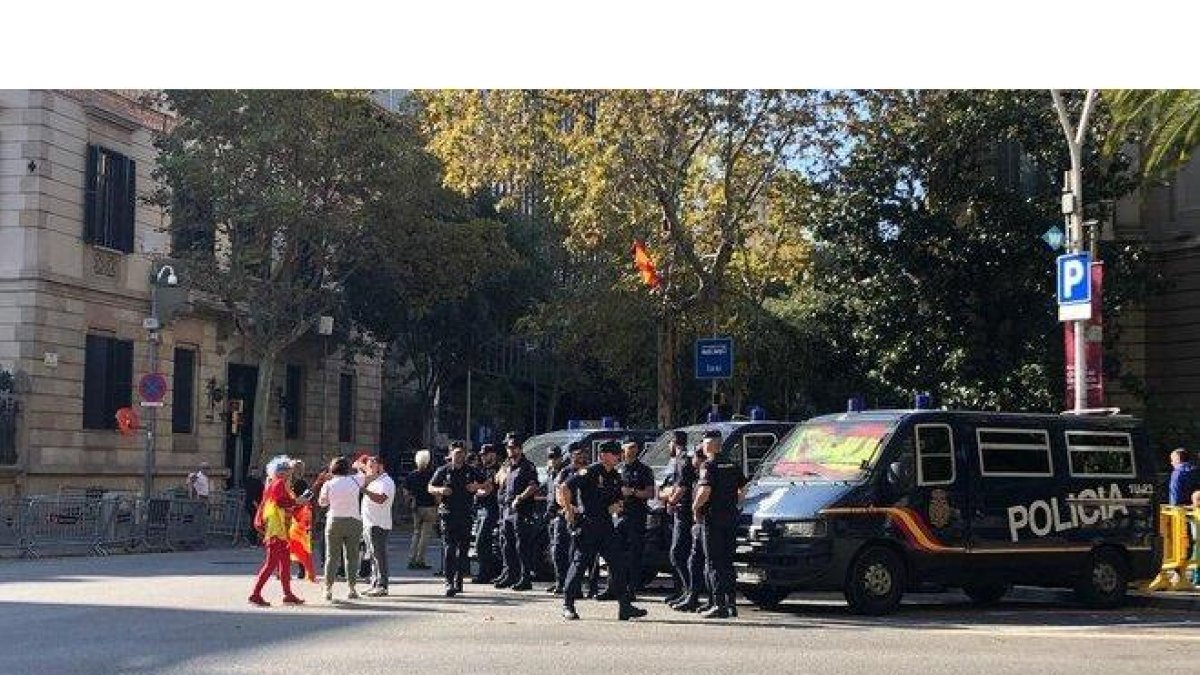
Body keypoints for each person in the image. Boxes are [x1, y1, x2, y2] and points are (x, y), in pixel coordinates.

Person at [557, 440, 647, 621]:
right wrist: (568, 510)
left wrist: (617, 505)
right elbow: (565, 487)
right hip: (588, 525)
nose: (619, 457)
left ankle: (624, 606)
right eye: (615, 454)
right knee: (579, 565)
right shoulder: (590, 471)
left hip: (606, 526)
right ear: (604, 455)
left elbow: (619, 498)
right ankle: (568, 604)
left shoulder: (615, 475)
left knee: (618, 564)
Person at [692, 428, 748, 619]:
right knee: (727, 561)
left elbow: (704, 491)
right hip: (730, 517)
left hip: (713, 518)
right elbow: (743, 488)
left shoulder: (709, 465)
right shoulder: (732, 464)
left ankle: (718, 604)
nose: (702, 446)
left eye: (704, 442)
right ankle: (731, 604)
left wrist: (695, 507)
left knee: (713, 562)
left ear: (709, 444)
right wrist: (733, 502)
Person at [428, 441, 487, 596]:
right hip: (448, 515)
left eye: (462, 453)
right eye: (456, 453)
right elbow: (430, 487)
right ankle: (448, 582)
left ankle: (458, 581)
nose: (459, 456)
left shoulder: (471, 470)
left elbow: (488, 484)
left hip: (465, 515)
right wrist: (440, 489)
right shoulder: (444, 471)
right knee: (449, 549)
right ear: (451, 454)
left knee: (463, 551)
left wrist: (477, 487)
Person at [248, 455, 309, 606]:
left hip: (279, 528)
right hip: (277, 529)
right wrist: (296, 501)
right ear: (281, 472)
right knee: (271, 564)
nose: (290, 472)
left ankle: (288, 594)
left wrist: (295, 502)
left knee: (284, 564)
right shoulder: (279, 483)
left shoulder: (275, 483)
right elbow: (281, 502)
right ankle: (255, 594)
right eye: (288, 470)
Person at [495, 436, 541, 591]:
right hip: (507, 510)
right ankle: (510, 574)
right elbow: (499, 483)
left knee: (522, 546)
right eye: (509, 447)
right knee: (507, 544)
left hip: (521, 510)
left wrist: (520, 498)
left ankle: (525, 577)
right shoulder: (508, 466)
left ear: (520, 449)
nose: (511, 450)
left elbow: (533, 486)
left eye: (514, 447)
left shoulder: (527, 466)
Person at [318, 456, 366, 601]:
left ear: (332, 468)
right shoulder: (355, 480)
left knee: (331, 557)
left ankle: (328, 589)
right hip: (353, 520)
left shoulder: (329, 484)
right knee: (351, 557)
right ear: (347, 468)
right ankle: (351, 588)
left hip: (334, 520)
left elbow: (322, 503)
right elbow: (365, 474)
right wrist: (358, 466)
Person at [671, 446, 710, 612]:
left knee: (701, 561)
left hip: (701, 521)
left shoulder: (708, 472)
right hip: (697, 522)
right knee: (693, 561)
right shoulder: (697, 473)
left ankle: (699, 597)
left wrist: (694, 509)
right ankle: (691, 595)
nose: (691, 461)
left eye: (695, 457)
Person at [616, 438, 654, 596]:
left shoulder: (644, 470)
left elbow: (650, 493)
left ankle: (634, 586)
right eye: (629, 447)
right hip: (619, 515)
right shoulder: (618, 469)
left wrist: (632, 492)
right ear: (623, 450)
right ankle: (617, 586)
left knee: (635, 552)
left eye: (634, 447)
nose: (632, 450)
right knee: (616, 552)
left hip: (636, 515)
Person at [545, 444, 584, 595]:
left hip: (577, 516)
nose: (552, 460)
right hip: (560, 516)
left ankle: (575, 586)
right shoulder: (562, 473)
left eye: (555, 457)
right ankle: (561, 582)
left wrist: (573, 509)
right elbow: (557, 494)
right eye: (576, 454)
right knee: (558, 551)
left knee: (574, 553)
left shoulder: (585, 472)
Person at [660, 430, 693, 605]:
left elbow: (682, 488)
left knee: (678, 553)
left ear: (674, 442)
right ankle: (682, 591)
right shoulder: (676, 461)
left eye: (669, 443)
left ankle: (689, 592)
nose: (668, 447)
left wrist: (671, 500)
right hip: (678, 513)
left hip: (684, 512)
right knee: (678, 553)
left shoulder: (683, 460)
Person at [360, 455, 396, 597]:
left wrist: (365, 491)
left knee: (379, 555)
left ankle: (382, 585)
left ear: (379, 466)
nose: (368, 469)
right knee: (373, 556)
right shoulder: (376, 480)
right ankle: (375, 583)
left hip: (378, 524)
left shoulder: (386, 481)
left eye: (371, 465)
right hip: (370, 523)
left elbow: (381, 499)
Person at [472, 444, 502, 584]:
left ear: (493, 454)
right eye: (482, 454)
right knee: (482, 543)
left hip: (491, 508)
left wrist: (475, 490)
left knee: (482, 542)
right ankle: (486, 572)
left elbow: (488, 489)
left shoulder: (496, 470)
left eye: (486, 454)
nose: (483, 456)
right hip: (481, 508)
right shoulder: (482, 469)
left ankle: (486, 573)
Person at [404, 450, 438, 570]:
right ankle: (420, 560)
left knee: (416, 533)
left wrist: (409, 503)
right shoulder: (432, 474)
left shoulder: (411, 475)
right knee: (425, 535)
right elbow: (435, 491)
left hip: (416, 507)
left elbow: (406, 492)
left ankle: (411, 559)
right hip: (429, 506)